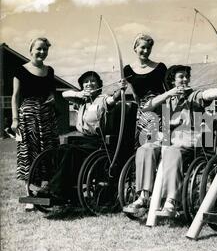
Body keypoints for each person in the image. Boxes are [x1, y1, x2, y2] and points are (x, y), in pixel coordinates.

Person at [123, 65, 217, 216]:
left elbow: (207, 95)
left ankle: (171, 201)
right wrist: (168, 94)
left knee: (172, 152)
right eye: (181, 77)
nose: (185, 79)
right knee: (145, 149)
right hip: (167, 138)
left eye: (187, 76)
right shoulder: (168, 99)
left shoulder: (193, 96)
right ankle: (143, 196)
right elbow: (146, 107)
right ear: (172, 81)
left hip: (187, 139)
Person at [35, 71, 125, 200]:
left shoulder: (103, 99)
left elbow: (114, 99)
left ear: (99, 84)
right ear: (82, 86)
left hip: (98, 144)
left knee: (70, 151)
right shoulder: (81, 100)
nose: (89, 84)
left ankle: (55, 189)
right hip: (82, 141)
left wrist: (121, 89)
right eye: (86, 82)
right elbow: (64, 94)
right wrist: (79, 94)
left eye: (93, 81)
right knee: (61, 149)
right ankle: (60, 187)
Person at [11, 37, 59, 211]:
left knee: (48, 152)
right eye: (38, 49)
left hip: (46, 117)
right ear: (31, 50)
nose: (42, 52)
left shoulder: (50, 70)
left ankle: (46, 191)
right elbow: (15, 96)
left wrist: (52, 99)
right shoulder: (20, 70)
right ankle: (30, 196)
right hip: (28, 116)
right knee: (29, 154)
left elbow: (52, 93)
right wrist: (15, 119)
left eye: (45, 49)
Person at [123, 34, 167, 146]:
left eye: (149, 48)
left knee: (160, 143)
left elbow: (168, 90)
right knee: (142, 143)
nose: (146, 51)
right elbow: (134, 95)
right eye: (143, 47)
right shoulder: (128, 70)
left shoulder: (160, 67)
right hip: (143, 111)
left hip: (161, 110)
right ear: (135, 48)